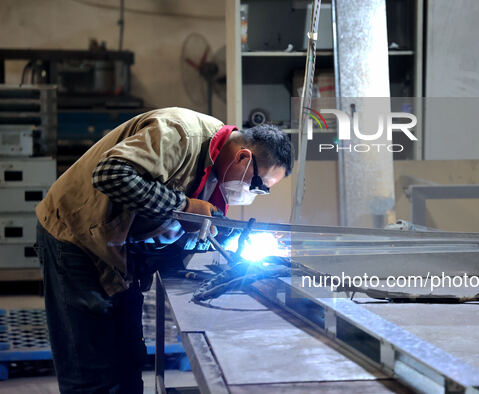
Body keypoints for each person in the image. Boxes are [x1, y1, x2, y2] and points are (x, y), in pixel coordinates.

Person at [34, 107, 293, 393]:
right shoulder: (179, 134)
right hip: (75, 233)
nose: (253, 194)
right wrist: (183, 206)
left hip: (118, 248)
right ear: (244, 157)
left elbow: (187, 223)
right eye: (257, 185)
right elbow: (110, 175)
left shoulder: (215, 169)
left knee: (128, 360)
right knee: (90, 366)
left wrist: (235, 239)